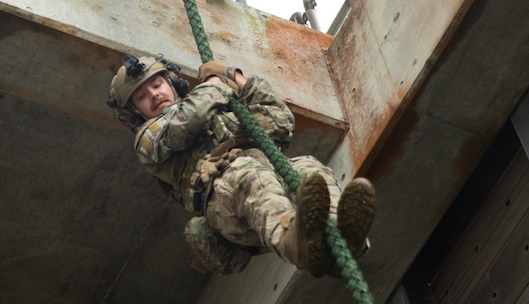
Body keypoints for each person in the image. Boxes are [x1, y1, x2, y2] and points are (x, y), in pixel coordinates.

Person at [108, 55, 376, 276]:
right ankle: (294, 244)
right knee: (247, 174)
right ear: (136, 112)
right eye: (142, 96)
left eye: (157, 85)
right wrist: (216, 82)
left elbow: (281, 123)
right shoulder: (149, 138)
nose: (153, 95)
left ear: (171, 82)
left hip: (263, 180)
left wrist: (236, 79)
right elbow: (187, 121)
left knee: (308, 168)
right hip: (226, 207)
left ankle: (344, 240)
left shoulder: (222, 113)